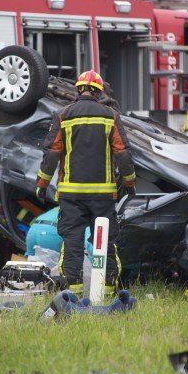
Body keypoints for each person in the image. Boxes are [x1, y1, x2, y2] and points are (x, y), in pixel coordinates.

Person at [35, 70, 136, 296]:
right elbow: (123, 153)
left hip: (71, 195)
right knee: (105, 241)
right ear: (99, 92)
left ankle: (73, 292)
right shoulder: (110, 116)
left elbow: (52, 154)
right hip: (103, 195)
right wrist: (130, 183)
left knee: (72, 240)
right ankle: (108, 292)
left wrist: (42, 184)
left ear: (78, 89)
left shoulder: (63, 115)